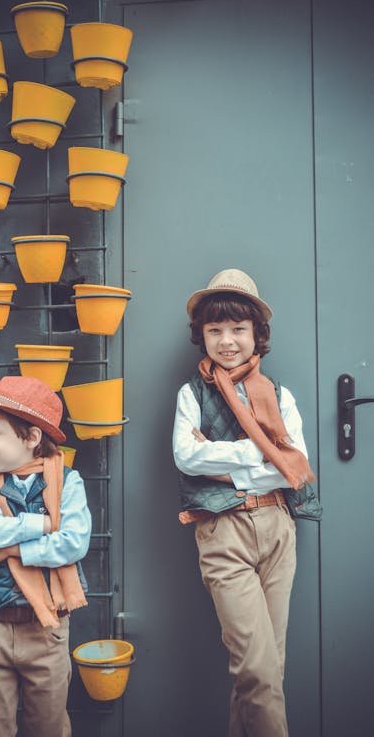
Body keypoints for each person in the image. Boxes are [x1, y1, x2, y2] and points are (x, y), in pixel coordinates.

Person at [172, 268, 322, 737]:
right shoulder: (191, 394)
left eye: (238, 329)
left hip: (278, 526)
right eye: (215, 330)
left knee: (266, 668)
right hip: (222, 531)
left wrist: (221, 459)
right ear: (202, 336)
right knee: (256, 669)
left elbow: (292, 465)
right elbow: (185, 456)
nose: (227, 340)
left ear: (258, 333)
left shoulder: (280, 396)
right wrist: (261, 450)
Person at [0, 375, 91, 737]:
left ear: (32, 438)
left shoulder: (69, 482)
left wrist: (14, 548)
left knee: (49, 728)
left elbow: (74, 543)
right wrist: (44, 524)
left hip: (46, 632)